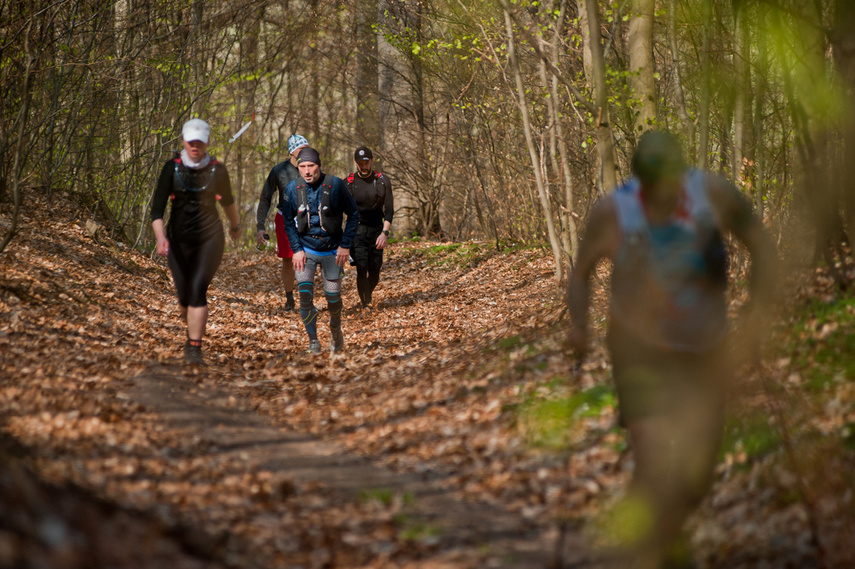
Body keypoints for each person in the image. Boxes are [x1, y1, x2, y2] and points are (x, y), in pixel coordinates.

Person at [566, 130, 776, 568]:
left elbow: (762, 247)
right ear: (639, 181)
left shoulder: (713, 194)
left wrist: (757, 315)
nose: (662, 196)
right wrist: (579, 327)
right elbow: (582, 272)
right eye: (652, 186)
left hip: (705, 349)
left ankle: (660, 531)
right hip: (638, 349)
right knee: (654, 453)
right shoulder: (614, 212)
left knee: (698, 471)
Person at [151, 118, 242, 365]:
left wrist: (235, 226)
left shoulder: (217, 169)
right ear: (183, 141)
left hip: (209, 237)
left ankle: (194, 348)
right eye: (191, 142)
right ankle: (190, 325)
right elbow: (157, 210)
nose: (195, 147)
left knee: (198, 290)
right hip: (177, 240)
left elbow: (228, 202)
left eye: (199, 143)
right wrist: (160, 239)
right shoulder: (172, 168)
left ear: (206, 143)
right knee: (184, 298)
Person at [278, 147, 359, 354]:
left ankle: (335, 325)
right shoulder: (291, 189)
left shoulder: (336, 185)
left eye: (310, 166)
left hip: (333, 249)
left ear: (319, 166)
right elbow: (287, 221)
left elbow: (354, 215)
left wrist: (345, 245)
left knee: (333, 299)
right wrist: (296, 249)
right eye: (302, 167)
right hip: (305, 249)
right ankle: (313, 340)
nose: (306, 171)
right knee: (305, 295)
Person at [255, 134, 309, 311]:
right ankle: (289, 298)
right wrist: (260, 227)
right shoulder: (279, 171)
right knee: (288, 260)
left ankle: (306, 298)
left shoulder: (310, 168)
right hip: (285, 218)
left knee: (308, 258)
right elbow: (265, 198)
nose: (305, 152)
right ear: (292, 151)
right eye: (302, 149)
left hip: (307, 217)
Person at [346, 146, 394, 310]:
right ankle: (366, 303)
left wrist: (384, 233)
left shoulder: (382, 180)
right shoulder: (349, 183)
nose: (364, 167)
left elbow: (389, 211)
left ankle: (367, 294)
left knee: (374, 269)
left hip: (377, 230)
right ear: (355, 163)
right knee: (361, 267)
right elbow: (339, 210)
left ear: (372, 161)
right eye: (360, 164)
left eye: (366, 163)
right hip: (357, 231)